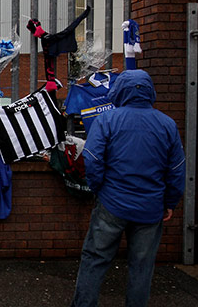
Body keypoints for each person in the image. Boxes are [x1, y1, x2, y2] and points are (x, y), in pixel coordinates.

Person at [70, 69, 185, 307]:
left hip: (112, 203)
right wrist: (170, 202)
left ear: (120, 91)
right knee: (142, 267)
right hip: (151, 207)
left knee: (95, 259)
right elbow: (176, 169)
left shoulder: (107, 120)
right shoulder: (167, 125)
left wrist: (98, 187)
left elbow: (92, 158)